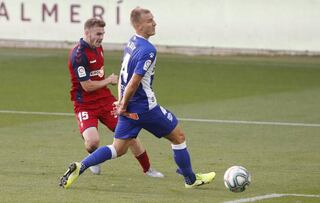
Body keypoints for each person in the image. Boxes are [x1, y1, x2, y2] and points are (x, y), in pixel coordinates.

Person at [60, 8, 215, 189]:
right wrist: (123, 104)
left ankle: (81, 166)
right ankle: (190, 178)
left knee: (117, 149)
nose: (154, 23)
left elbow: (123, 77)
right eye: (150, 21)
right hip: (145, 108)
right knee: (178, 137)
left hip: (129, 108)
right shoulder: (148, 50)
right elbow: (133, 81)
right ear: (139, 26)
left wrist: (121, 102)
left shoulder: (132, 42)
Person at [65, 17, 163, 178]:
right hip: (85, 104)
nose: (101, 37)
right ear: (86, 32)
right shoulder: (78, 55)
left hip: (105, 100)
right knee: (92, 142)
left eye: (103, 34)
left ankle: (148, 169)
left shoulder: (98, 47)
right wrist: (108, 80)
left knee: (129, 135)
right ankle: (94, 159)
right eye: (98, 34)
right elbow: (87, 86)